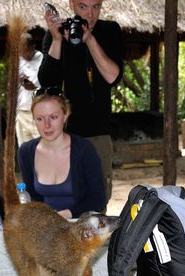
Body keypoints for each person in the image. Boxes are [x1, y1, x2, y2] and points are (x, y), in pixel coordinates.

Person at [38, 0, 123, 204]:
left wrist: (89, 39)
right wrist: (58, 40)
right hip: (65, 135)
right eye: (83, 7)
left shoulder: (110, 31)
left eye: (96, 7)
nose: (90, 14)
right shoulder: (57, 33)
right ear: (72, 4)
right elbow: (47, 82)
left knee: (98, 200)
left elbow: (113, 76)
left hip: (99, 132)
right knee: (66, 199)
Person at [16, 89, 106, 219]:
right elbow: (32, 198)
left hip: (82, 224)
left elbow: (98, 199)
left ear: (65, 115)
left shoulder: (84, 149)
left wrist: (65, 215)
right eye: (40, 119)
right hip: (46, 226)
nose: (47, 125)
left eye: (53, 117)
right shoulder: (26, 152)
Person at [15, 33, 43, 146]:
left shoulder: (41, 58)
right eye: (21, 50)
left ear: (33, 47)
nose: (24, 54)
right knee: (24, 149)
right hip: (21, 112)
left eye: (26, 50)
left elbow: (46, 84)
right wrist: (20, 80)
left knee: (41, 147)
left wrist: (34, 88)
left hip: (37, 111)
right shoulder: (17, 62)